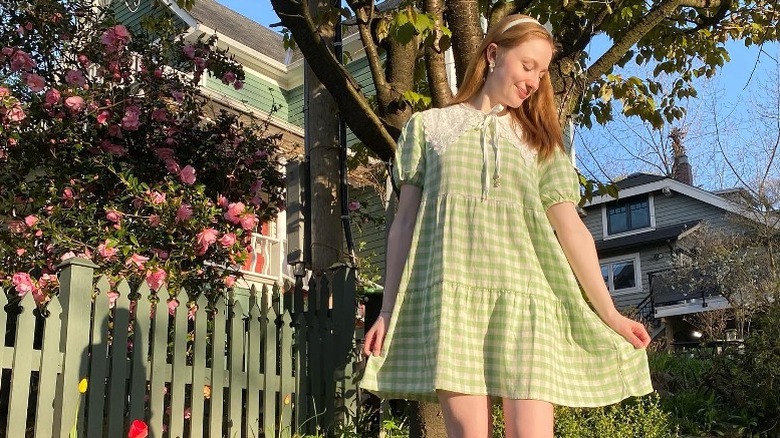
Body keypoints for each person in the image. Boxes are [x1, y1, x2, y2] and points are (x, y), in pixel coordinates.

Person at [359, 13, 653, 438]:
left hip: (526, 302)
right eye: (527, 65)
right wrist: (387, 310)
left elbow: (571, 229)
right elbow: (403, 224)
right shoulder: (428, 129)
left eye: (542, 72)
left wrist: (609, 313)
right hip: (452, 304)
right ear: (494, 54)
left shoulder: (541, 142)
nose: (534, 81)